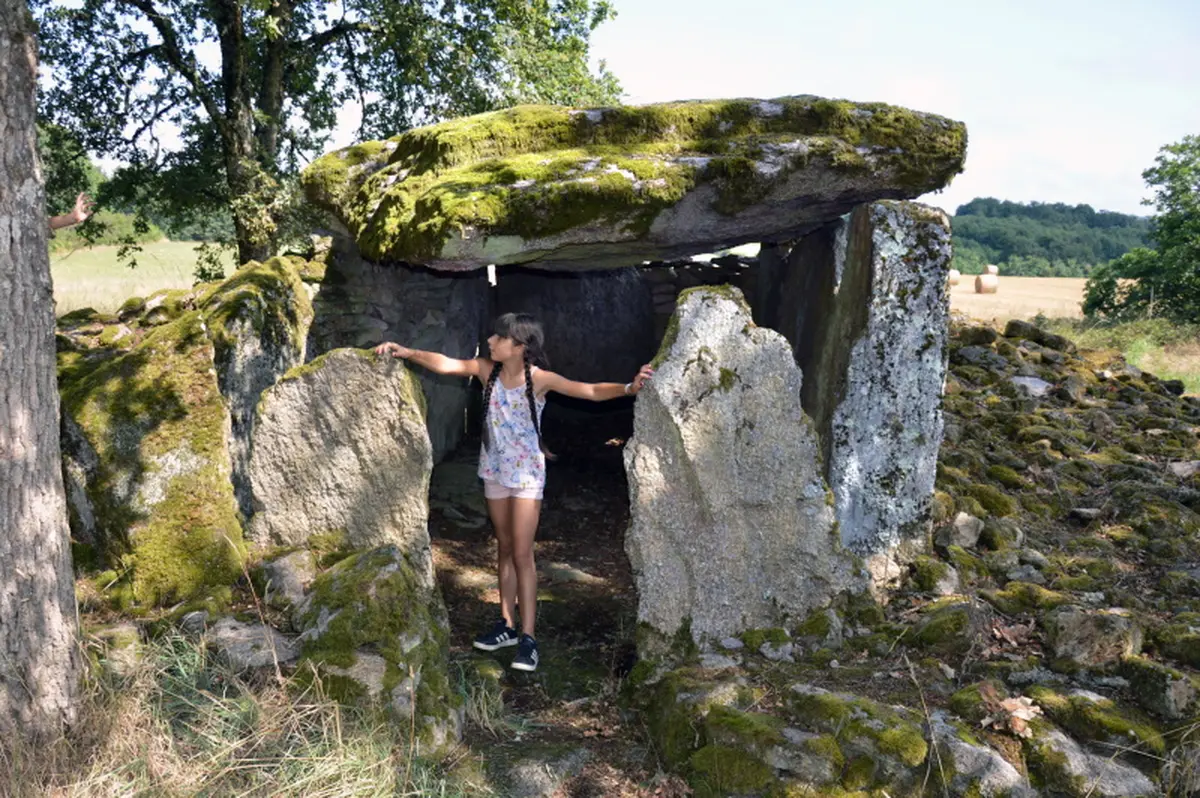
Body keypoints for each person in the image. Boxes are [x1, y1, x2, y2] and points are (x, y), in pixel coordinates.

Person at [375, 312, 653, 672]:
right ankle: (505, 624)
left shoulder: (538, 379)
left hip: (525, 477)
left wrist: (629, 389)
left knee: (522, 553)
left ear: (519, 347)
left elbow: (589, 391)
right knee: (504, 547)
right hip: (493, 472)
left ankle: (528, 637)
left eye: (500, 337)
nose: (491, 341)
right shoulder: (484, 370)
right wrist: (407, 352)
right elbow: (446, 364)